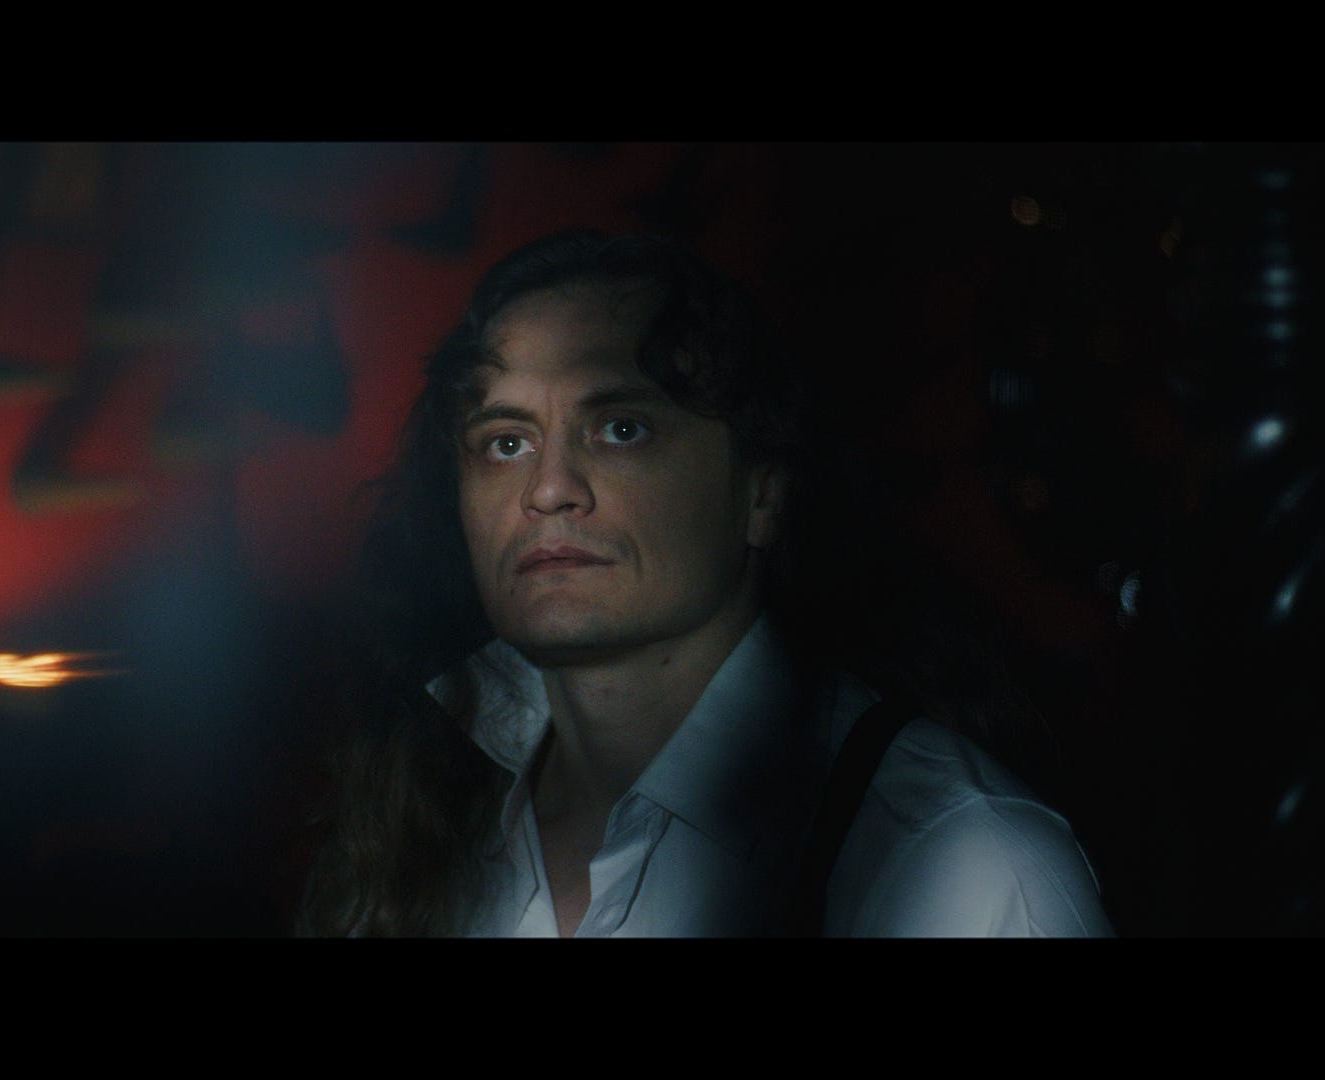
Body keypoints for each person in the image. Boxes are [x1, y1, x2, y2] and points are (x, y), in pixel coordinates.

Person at [295, 230, 1113, 937]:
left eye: (622, 429)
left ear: (762, 490)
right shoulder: (423, 817)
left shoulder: (962, 863)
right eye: (506, 442)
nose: (547, 489)